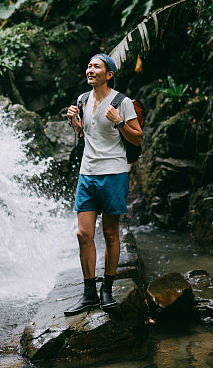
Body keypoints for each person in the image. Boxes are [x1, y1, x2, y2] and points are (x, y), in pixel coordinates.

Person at [64, 53, 142, 316]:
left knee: (110, 234)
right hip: (88, 174)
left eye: (96, 66)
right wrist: (74, 121)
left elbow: (138, 139)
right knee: (83, 234)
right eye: (88, 66)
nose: (90, 69)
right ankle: (89, 294)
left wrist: (119, 121)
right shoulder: (82, 100)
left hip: (113, 173)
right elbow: (85, 134)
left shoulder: (123, 102)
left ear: (108, 74)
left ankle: (106, 289)